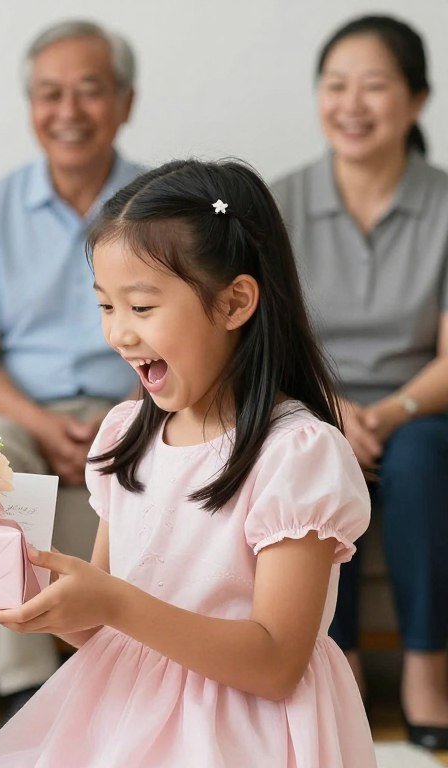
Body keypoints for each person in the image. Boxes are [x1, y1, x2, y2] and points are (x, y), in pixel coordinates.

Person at [0, 159, 376, 767]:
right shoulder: (127, 433)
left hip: (246, 732)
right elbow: (111, 631)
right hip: (126, 716)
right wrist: (42, 596)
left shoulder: (297, 453)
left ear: (235, 302)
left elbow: (275, 663)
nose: (118, 335)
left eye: (141, 307)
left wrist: (110, 602)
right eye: (106, 306)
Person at [0, 19, 142, 720]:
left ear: (125, 101)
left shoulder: (165, 205)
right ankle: (26, 683)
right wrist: (41, 423)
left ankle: (138, 672)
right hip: (24, 414)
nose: (69, 112)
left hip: (142, 397)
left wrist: (124, 413)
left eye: (89, 92)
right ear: (31, 107)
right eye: (50, 94)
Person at [271, 15, 448, 751]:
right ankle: (333, 663)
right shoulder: (277, 201)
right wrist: (334, 409)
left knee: (420, 460)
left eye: (374, 86)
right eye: (336, 85)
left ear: (417, 99)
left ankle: (426, 670)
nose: (352, 103)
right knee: (307, 450)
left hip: (424, 407)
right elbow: (263, 333)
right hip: (310, 401)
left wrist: (390, 410)